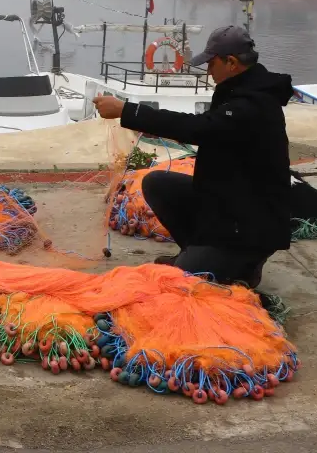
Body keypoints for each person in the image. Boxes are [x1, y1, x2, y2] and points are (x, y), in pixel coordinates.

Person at [92, 26, 292, 287]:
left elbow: (197, 128)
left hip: (250, 224)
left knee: (182, 281)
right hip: (231, 204)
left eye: (211, 63)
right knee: (158, 184)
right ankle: (200, 252)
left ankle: (239, 265)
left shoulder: (253, 104)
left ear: (231, 62)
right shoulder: (242, 89)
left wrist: (126, 111)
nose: (208, 71)